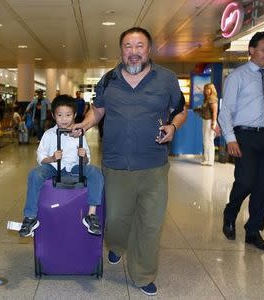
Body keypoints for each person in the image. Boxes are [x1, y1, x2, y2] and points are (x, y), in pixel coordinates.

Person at [73, 27, 186, 296]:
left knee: (150, 223)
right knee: (116, 220)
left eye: (139, 46)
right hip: (115, 166)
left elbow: (180, 110)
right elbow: (98, 110)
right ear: (121, 49)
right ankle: (117, 245)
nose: (133, 52)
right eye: (127, 46)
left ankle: (143, 273)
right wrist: (85, 125)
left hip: (154, 166)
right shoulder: (108, 79)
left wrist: (173, 126)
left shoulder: (167, 79)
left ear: (149, 49)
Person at [218, 32, 264, 252]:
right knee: (245, 181)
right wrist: (230, 138)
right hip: (245, 136)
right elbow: (226, 111)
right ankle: (230, 213)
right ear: (251, 50)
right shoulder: (237, 77)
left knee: (263, 187)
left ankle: (253, 231)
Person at [18, 94, 104, 237]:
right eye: (60, 115)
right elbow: (40, 157)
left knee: (96, 172)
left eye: (68, 115)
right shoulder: (48, 134)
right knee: (35, 174)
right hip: (54, 167)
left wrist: (83, 156)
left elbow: (86, 161)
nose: (64, 119)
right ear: (53, 115)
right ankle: (30, 217)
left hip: (76, 166)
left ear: (75, 115)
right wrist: (52, 158)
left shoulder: (79, 134)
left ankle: (91, 214)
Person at [194, 83, 219, 166]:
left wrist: (213, 123)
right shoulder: (207, 99)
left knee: (209, 141)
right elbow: (205, 110)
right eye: (205, 89)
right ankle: (206, 159)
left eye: (208, 89)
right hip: (205, 121)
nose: (206, 91)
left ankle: (210, 160)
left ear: (212, 89)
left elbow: (215, 112)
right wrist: (199, 110)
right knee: (206, 140)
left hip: (210, 121)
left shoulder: (212, 99)